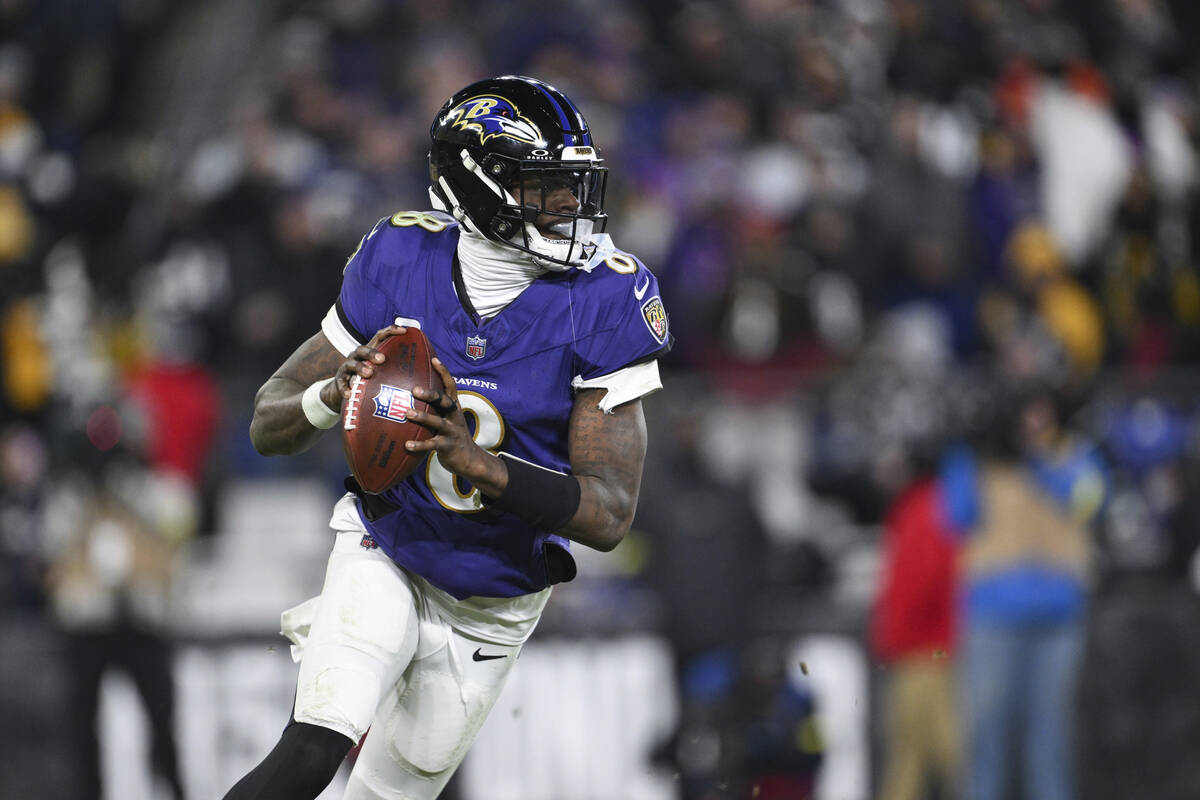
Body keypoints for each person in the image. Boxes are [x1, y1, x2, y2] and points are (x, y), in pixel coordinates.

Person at [221, 75, 672, 800]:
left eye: (572, 185)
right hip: (389, 544)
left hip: (496, 597)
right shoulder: (402, 258)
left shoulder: (607, 296)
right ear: (478, 185)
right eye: (542, 185)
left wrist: (485, 467)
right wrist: (329, 397)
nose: (568, 206)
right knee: (315, 742)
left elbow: (610, 516)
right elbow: (268, 420)